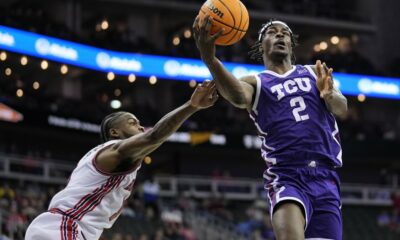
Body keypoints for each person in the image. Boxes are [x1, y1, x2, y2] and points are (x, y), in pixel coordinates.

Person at [193, 16, 347, 240]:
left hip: (326, 176)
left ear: (292, 44)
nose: (280, 35)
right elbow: (236, 96)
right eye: (272, 32)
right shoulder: (256, 81)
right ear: (260, 44)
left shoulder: (314, 72)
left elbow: (342, 108)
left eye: (284, 32)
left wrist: (330, 95)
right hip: (287, 175)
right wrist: (210, 59)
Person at [25, 81, 218, 240]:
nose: (141, 128)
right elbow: (154, 137)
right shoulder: (113, 151)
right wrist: (190, 106)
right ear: (114, 132)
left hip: (67, 230)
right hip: (64, 227)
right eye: (133, 123)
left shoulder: (106, 160)